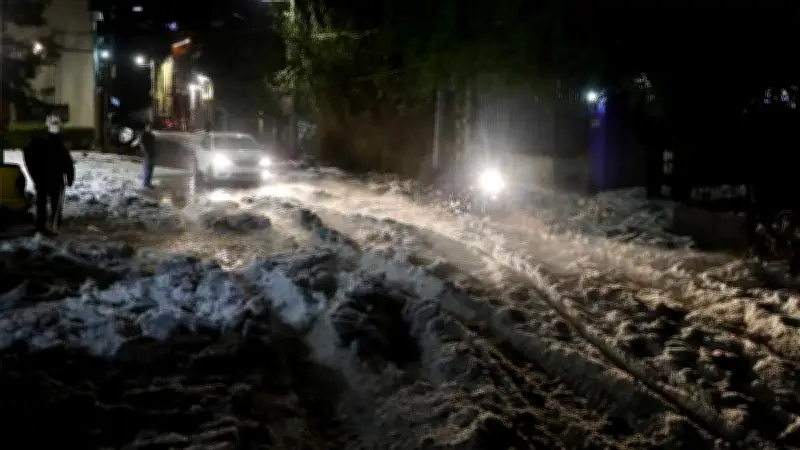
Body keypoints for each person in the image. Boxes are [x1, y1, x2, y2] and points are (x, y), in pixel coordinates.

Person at [22, 114, 75, 235]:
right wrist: (69, 175)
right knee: (53, 203)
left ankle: (44, 225)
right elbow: (66, 160)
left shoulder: (39, 143)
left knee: (44, 201)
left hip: (44, 177)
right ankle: (51, 224)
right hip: (52, 178)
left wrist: (35, 175)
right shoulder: (55, 144)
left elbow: (65, 159)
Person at [140, 122, 156, 189]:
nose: (149, 128)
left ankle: (148, 183)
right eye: (148, 127)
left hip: (152, 153)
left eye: (150, 127)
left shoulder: (152, 136)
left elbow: (153, 145)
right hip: (147, 154)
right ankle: (145, 184)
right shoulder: (144, 135)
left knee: (150, 169)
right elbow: (142, 144)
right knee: (147, 169)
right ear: (146, 128)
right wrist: (145, 152)